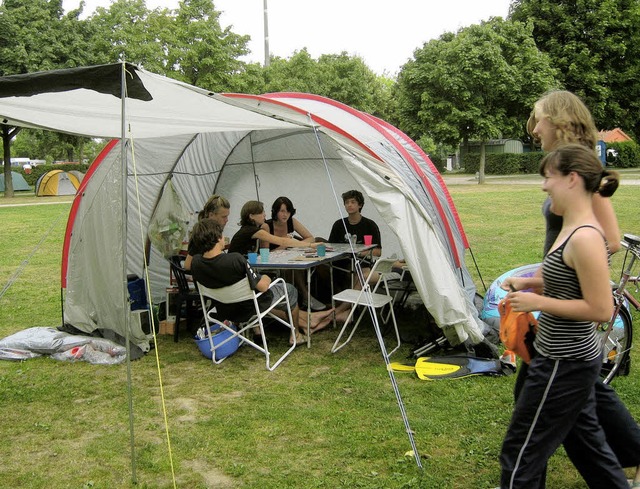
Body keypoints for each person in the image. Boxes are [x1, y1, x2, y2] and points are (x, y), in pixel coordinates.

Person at [507, 89, 640, 485]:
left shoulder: (578, 169)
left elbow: (610, 239)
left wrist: (565, 274)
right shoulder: (561, 166)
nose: (534, 129)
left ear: (558, 118)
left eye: (538, 118)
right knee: (580, 400)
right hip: (553, 293)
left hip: (565, 300)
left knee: (552, 398)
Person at [189, 219, 333, 345]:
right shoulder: (235, 259)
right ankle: (295, 335)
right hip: (249, 308)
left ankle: (306, 321)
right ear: (218, 237)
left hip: (223, 309)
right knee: (290, 290)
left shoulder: (195, 263)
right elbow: (263, 287)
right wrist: (267, 277)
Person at [312, 190, 382, 332]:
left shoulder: (370, 225)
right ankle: (345, 311)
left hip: (362, 265)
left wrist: (360, 252)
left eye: (353, 202)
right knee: (321, 269)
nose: (349, 205)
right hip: (340, 265)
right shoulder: (339, 225)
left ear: (360, 205)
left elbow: (378, 251)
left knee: (361, 276)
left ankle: (336, 312)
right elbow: (332, 247)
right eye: (347, 202)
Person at [262, 196, 325, 311]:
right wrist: (285, 244)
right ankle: (304, 297)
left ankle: (304, 298)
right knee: (292, 268)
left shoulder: (292, 222)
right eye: (282, 211)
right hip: (273, 263)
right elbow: (264, 254)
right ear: (275, 211)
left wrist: (295, 244)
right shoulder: (267, 226)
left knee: (303, 263)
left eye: (288, 211)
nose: (285, 215)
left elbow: (311, 238)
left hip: (290, 257)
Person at [228, 200, 319, 255]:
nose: (264, 215)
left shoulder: (248, 229)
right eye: (261, 212)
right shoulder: (252, 231)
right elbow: (282, 241)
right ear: (251, 216)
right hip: (235, 267)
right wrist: (310, 245)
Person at [184, 194, 231, 270]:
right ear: (211, 215)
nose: (227, 220)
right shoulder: (202, 234)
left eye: (227, 216)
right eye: (223, 216)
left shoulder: (213, 232)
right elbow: (187, 265)